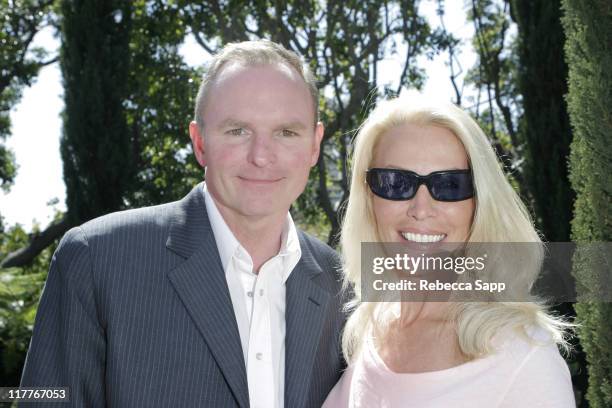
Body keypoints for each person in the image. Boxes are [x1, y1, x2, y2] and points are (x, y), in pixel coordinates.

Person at [20, 40, 345, 408]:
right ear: (199, 141)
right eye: (238, 130)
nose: (261, 156)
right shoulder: (95, 259)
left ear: (315, 145)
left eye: (286, 132)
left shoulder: (342, 284)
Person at [323, 93, 575, 407]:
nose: (421, 208)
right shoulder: (372, 324)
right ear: (369, 198)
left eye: (450, 185)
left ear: (479, 204)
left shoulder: (524, 358)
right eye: (395, 182)